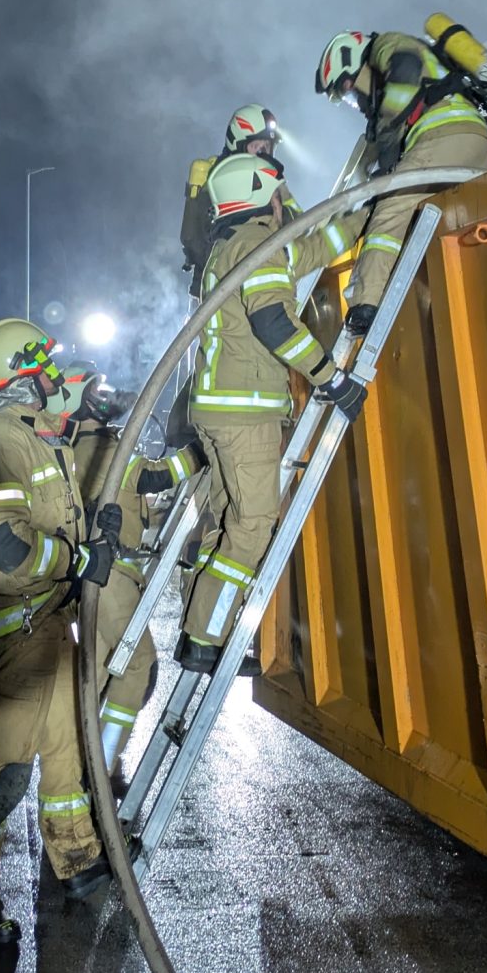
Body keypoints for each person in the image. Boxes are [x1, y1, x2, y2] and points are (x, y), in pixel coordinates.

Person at [0, 317, 120, 947]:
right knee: (5, 765)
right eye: (43, 364)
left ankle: (78, 861)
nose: (54, 373)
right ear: (22, 374)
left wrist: (92, 537)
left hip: (45, 617)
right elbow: (2, 543)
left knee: (65, 742)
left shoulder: (33, 436)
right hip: (18, 622)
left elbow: (54, 515)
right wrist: (76, 560)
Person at [179, 153, 366, 675]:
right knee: (254, 525)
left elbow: (309, 250)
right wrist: (330, 378)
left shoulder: (237, 244)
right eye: (279, 193)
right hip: (245, 415)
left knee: (229, 523)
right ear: (261, 193)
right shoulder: (255, 245)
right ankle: (205, 638)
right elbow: (275, 323)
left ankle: (200, 631)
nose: (286, 201)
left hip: (221, 411)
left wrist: (363, 215)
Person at [314, 18, 487, 332]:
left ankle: (365, 304)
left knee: (391, 209)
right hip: (476, 143)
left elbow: (405, 70)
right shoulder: (401, 79)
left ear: (353, 60)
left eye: (347, 89)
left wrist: (386, 133)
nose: (354, 101)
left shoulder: (386, 44)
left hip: (444, 136)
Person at [51, 363, 203, 781]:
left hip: (102, 576)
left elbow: (129, 501)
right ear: (79, 398)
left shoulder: (88, 444)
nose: (108, 396)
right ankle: (102, 767)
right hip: (110, 578)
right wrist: (200, 451)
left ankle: (80, 770)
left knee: (97, 676)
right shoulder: (96, 448)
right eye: (98, 390)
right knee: (137, 667)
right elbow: (152, 475)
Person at [180, 103, 285, 297]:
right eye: (256, 147)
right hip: (218, 294)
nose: (263, 154)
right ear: (237, 145)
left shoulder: (264, 184)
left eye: (267, 147)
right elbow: (206, 247)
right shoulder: (217, 187)